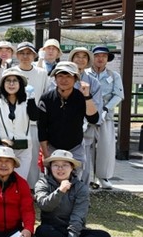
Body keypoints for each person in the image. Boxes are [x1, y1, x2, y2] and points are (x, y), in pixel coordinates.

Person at [35, 149, 113, 237]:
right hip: (53, 229)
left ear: (72, 168)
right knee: (41, 232)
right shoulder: (42, 183)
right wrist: (60, 191)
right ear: (50, 167)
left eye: (65, 165)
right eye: (56, 165)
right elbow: (44, 206)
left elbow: (79, 214)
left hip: (76, 231)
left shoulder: (80, 187)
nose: (60, 169)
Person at [38, 61, 99, 172]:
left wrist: (87, 96)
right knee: (52, 180)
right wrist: (46, 154)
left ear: (75, 79)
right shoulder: (46, 98)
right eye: (60, 76)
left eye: (68, 76)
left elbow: (93, 119)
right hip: (52, 148)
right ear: (55, 78)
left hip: (76, 148)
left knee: (76, 180)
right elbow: (41, 128)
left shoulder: (81, 97)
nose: (64, 80)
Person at [0, 69, 39, 182]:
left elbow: (35, 117)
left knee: (20, 180)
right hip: (3, 147)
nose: (11, 84)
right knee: (3, 179)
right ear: (3, 83)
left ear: (20, 84)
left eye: (15, 81)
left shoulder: (27, 100)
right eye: (8, 81)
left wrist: (31, 98)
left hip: (24, 147)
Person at [12, 42, 50, 187]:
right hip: (14, 123)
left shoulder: (42, 73)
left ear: (34, 55)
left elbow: (46, 96)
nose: (25, 56)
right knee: (14, 156)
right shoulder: (11, 72)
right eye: (22, 53)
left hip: (34, 123)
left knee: (33, 157)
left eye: (29, 53)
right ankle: (14, 187)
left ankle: (32, 188)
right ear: (17, 55)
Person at [87, 46, 124, 189]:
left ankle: (103, 176)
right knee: (85, 146)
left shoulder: (114, 76)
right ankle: (86, 177)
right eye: (97, 56)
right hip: (86, 116)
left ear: (108, 58)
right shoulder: (85, 74)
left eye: (104, 56)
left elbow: (118, 95)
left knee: (106, 147)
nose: (100, 59)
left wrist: (106, 108)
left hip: (106, 116)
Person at [67, 47, 104, 187]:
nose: (80, 59)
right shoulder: (62, 79)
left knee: (84, 164)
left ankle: (83, 193)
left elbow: (96, 107)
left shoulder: (94, 82)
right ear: (72, 59)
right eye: (77, 56)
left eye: (84, 57)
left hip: (85, 129)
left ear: (88, 61)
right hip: (63, 129)